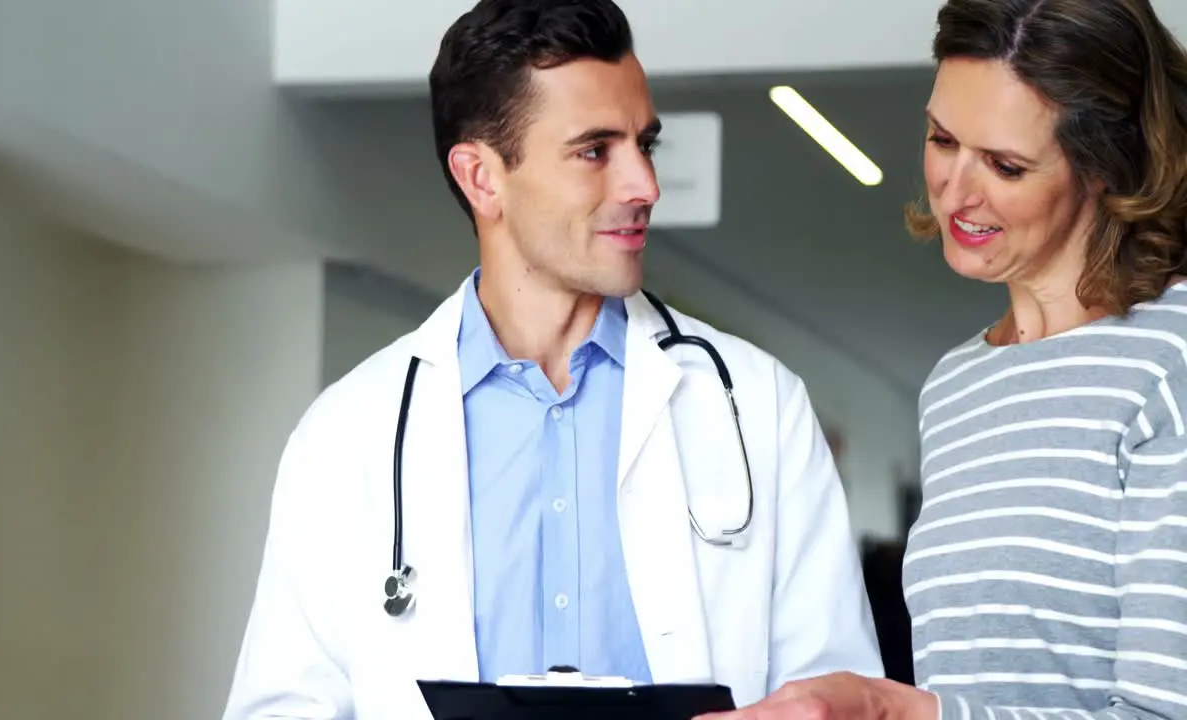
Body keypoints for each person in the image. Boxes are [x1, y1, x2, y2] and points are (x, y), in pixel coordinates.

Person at [220, 1, 882, 718]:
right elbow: (285, 706)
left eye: (645, 146)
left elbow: (840, 696)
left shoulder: (757, 405)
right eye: (595, 150)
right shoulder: (347, 435)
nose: (644, 187)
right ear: (482, 177)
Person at [697, 1, 1187, 719]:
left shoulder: (1168, 365)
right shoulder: (959, 385)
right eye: (942, 138)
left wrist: (893, 712)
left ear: (1107, 170)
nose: (956, 190)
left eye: (1005, 165)